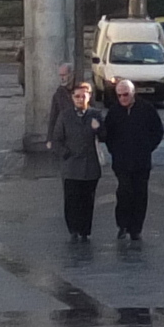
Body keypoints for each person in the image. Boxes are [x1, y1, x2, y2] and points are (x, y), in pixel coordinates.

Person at [100, 72, 163, 243]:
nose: (122, 98)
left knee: (140, 194)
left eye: (125, 94)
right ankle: (122, 224)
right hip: (121, 162)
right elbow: (107, 135)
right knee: (124, 192)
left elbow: (158, 131)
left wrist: (147, 148)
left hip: (142, 162)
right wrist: (114, 151)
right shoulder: (114, 112)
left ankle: (136, 228)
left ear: (133, 93)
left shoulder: (146, 109)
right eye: (119, 95)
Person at [50, 73, 104, 243]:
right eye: (77, 96)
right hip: (71, 165)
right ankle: (73, 228)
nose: (80, 99)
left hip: (90, 166)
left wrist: (98, 129)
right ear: (72, 98)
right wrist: (65, 153)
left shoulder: (95, 114)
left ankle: (85, 230)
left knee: (88, 200)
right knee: (72, 199)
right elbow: (57, 139)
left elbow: (105, 137)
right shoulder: (65, 116)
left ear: (89, 97)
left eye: (83, 96)